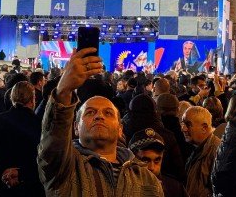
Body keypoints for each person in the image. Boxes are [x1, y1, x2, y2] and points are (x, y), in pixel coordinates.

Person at [37, 47, 163, 196]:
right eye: (90, 112)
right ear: (76, 127)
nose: (99, 116)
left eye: (108, 113)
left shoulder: (145, 177)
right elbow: (54, 137)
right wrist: (64, 90)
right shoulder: (64, 167)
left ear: (120, 129)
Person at [0, 81, 43, 197]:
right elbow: (44, 158)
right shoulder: (40, 125)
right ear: (33, 99)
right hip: (31, 186)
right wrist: (22, 174)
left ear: (12, 98)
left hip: (1, 184)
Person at [129, 128, 189, 197]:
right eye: (145, 161)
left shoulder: (175, 189)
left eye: (157, 160)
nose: (152, 167)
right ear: (132, 159)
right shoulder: (123, 187)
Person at [181, 106, 221, 197]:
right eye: (183, 124)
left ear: (204, 128)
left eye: (188, 125)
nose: (183, 129)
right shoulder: (200, 148)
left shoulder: (216, 151)